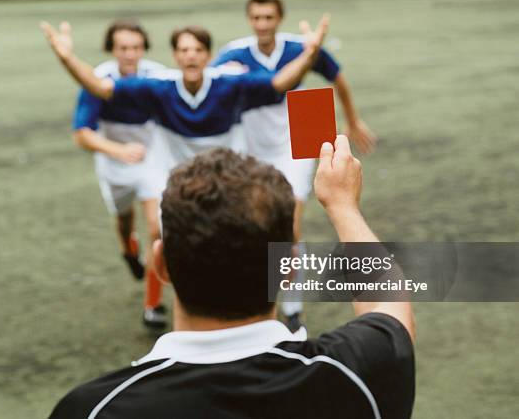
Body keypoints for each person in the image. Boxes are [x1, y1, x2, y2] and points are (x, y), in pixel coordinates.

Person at [47, 137, 415, 419]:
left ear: (162, 265)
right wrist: (342, 205)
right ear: (288, 269)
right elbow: (388, 305)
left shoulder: (91, 410)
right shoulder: (353, 375)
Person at [212, 0, 377, 329]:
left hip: (295, 143)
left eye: (269, 17)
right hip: (252, 146)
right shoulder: (233, 54)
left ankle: (291, 309)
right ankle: (255, 292)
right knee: (254, 222)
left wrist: (353, 118)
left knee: (289, 225)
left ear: (279, 18)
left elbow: (337, 77)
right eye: (256, 18)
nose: (262, 24)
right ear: (249, 19)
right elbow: (212, 89)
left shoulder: (299, 47)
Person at [40, 15, 330, 174]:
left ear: (208, 55)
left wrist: (309, 56)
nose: (191, 56)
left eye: (198, 50)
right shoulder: (158, 86)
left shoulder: (229, 83)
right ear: (175, 56)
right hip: (178, 184)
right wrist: (67, 59)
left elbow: (279, 83)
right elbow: (101, 87)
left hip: (228, 177)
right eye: (184, 50)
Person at [47, 19, 168, 329]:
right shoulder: (98, 79)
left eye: (136, 47)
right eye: (123, 48)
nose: (130, 54)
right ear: (112, 50)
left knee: (158, 228)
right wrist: (119, 150)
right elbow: (81, 134)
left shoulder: (157, 75)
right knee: (123, 219)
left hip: (151, 159)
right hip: (115, 163)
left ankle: (153, 304)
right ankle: (129, 251)